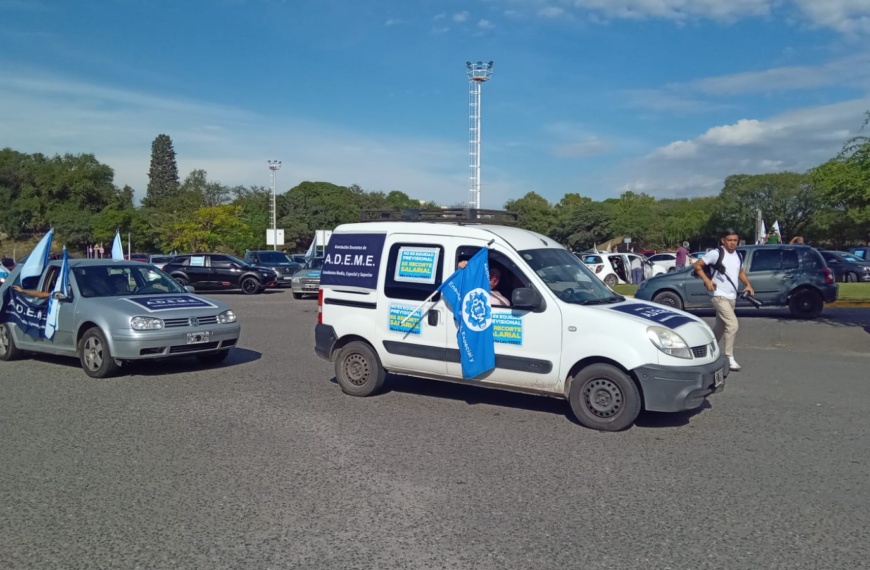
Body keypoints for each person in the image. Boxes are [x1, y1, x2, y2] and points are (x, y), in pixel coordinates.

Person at [692, 228, 755, 372]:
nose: (733, 243)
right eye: (730, 240)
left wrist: (748, 284)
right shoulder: (716, 253)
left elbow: (740, 272)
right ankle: (729, 357)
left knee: (720, 327)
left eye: (735, 240)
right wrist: (707, 280)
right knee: (732, 325)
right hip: (718, 295)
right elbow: (697, 265)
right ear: (723, 240)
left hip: (731, 296)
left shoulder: (738, 255)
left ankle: (706, 349)